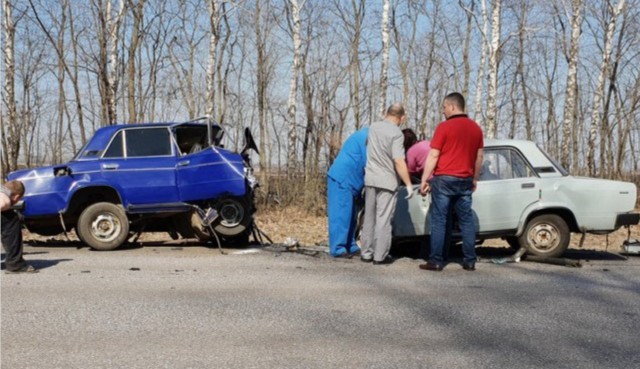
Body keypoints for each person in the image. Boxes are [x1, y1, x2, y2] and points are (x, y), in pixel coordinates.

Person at [419, 92, 483, 272]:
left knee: (439, 220)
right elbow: (479, 156)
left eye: (444, 107)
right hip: (465, 179)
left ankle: (436, 260)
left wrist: (425, 178)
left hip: (444, 179)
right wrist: (475, 178)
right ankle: (469, 261)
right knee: (466, 220)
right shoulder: (476, 129)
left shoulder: (444, 127)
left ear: (453, 107)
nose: (443, 111)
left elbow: (433, 154)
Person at [361, 103, 414, 265]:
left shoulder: (373, 127)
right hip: (387, 180)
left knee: (369, 217)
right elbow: (398, 160)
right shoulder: (397, 134)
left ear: (386, 112)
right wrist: (408, 184)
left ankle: (366, 253)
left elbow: (367, 145)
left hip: (370, 178)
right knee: (383, 219)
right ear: (402, 117)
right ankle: (380, 256)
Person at [327, 127, 369, 257]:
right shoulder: (368, 138)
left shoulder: (368, 135)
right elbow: (370, 164)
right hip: (342, 178)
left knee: (351, 215)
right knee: (341, 214)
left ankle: (350, 244)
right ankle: (338, 247)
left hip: (353, 181)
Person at [1, 180, 37, 273]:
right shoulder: (5, 197)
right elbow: (3, 203)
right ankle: (15, 264)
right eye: (19, 199)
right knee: (12, 219)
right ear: (17, 196)